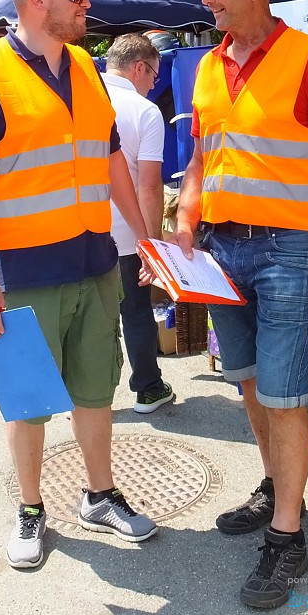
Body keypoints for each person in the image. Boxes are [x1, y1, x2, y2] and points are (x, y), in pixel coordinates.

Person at [0, 0, 158, 570]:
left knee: (97, 388)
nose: (86, 3)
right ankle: (32, 509)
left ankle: (99, 494)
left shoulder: (89, 66)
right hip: (24, 270)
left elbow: (111, 159)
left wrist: (144, 236)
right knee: (29, 397)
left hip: (95, 264)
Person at [175, 0, 308, 609]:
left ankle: (288, 536)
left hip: (288, 250)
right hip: (222, 253)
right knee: (251, 386)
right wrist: (184, 227)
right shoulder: (205, 67)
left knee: (285, 397)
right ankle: (275, 486)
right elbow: (201, 162)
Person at [103, 33, 173, 413]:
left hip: (79, 229)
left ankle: (85, 397)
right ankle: (147, 388)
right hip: (126, 235)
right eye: (154, 76)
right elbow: (149, 185)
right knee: (135, 312)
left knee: (88, 316)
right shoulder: (144, 112)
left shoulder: (80, 96)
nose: (153, 84)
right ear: (140, 67)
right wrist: (154, 243)